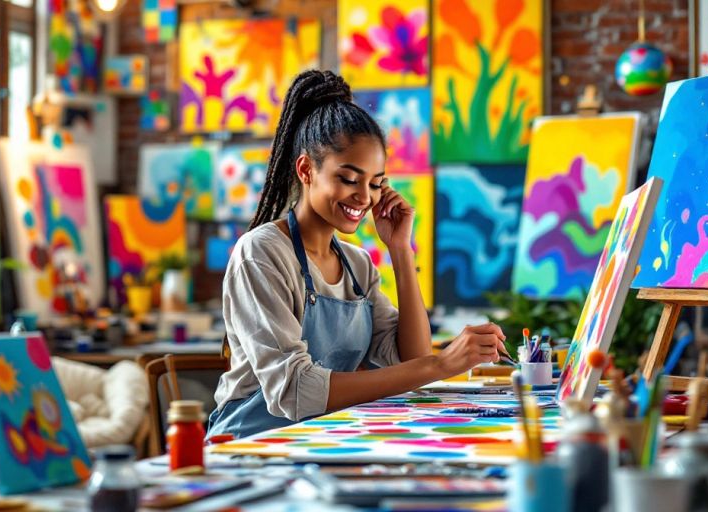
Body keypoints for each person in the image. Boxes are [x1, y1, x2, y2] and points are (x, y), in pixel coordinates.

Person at [207, 70, 509, 439]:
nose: (365, 198)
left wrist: (400, 250)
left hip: (318, 439)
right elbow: (295, 392)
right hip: (248, 445)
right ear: (306, 169)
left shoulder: (356, 265)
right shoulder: (262, 253)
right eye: (349, 179)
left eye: (376, 183)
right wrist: (441, 364)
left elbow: (409, 361)